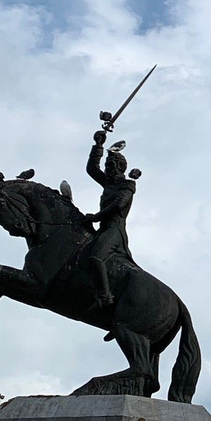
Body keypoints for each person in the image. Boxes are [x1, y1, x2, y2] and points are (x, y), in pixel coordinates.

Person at [83, 129, 140, 310]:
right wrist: (98, 146)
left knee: (95, 258)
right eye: (107, 165)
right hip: (103, 229)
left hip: (115, 231)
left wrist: (95, 217)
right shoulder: (109, 183)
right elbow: (92, 169)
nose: (107, 169)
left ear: (120, 167)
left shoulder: (127, 186)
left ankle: (105, 297)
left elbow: (117, 206)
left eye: (111, 165)